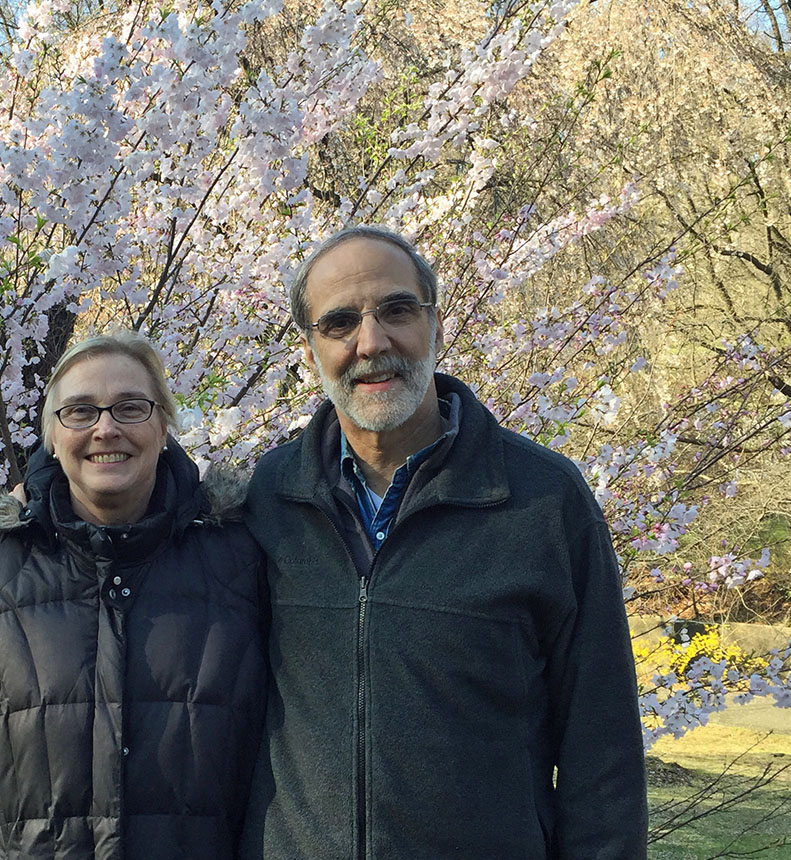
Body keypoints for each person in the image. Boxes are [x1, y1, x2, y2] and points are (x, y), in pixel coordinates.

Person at [240, 226, 647, 859]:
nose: (371, 343)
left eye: (397, 311)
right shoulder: (269, 498)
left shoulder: (542, 499)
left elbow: (605, 750)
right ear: (310, 347)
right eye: (340, 322)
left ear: (435, 320)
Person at [0, 332, 267, 859]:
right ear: (52, 435)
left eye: (131, 407)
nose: (106, 428)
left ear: (164, 427)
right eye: (80, 412)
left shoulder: (239, 564)